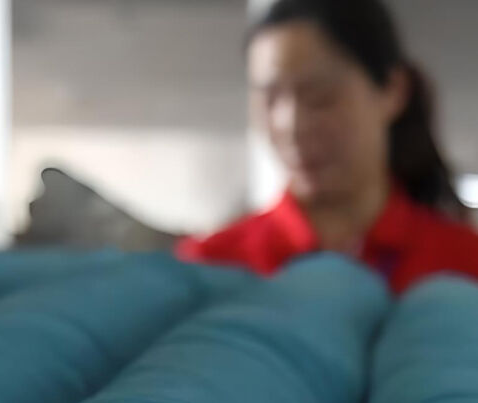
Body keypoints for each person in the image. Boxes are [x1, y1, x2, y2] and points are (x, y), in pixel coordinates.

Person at [176, 0, 478, 294]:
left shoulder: (463, 263)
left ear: (392, 91)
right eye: (270, 98)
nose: (291, 125)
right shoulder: (209, 269)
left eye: (321, 96)